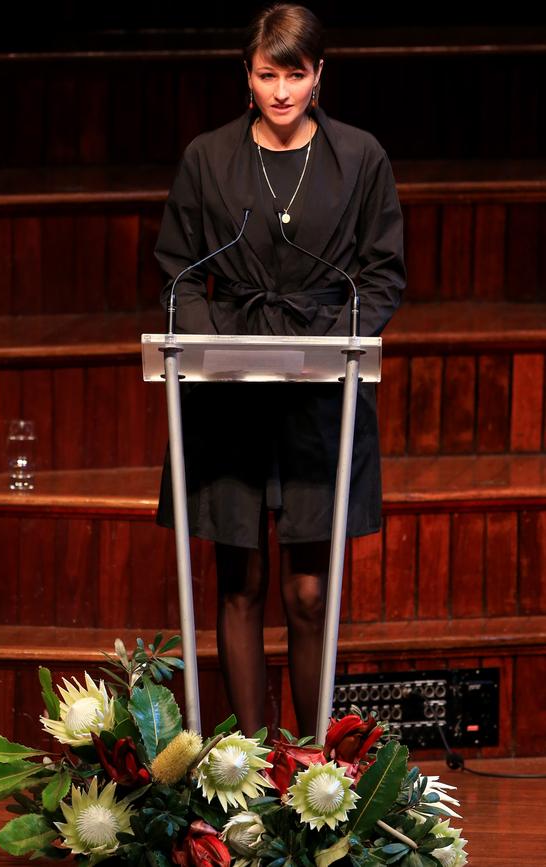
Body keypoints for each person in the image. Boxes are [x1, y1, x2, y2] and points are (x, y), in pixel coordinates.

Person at [154, 3, 406, 737]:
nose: (283, 91)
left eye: (296, 74)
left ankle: (310, 771)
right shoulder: (209, 156)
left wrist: (326, 346)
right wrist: (219, 347)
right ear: (248, 76)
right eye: (269, 75)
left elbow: (382, 275)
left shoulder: (361, 157)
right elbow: (175, 272)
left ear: (319, 75)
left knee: (305, 587)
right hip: (228, 388)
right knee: (241, 582)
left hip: (321, 387)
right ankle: (250, 771)